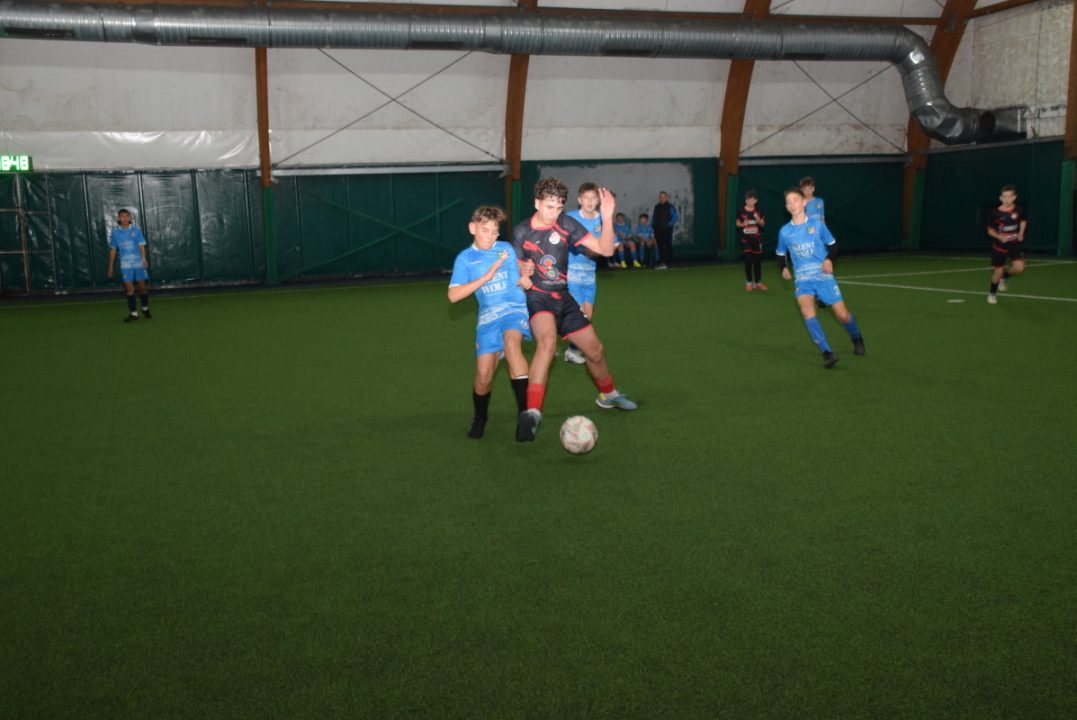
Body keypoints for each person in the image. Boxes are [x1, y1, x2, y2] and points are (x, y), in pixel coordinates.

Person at [512, 177, 638, 442]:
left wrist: (607, 217)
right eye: (549, 207)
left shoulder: (567, 224)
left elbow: (605, 250)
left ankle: (609, 395)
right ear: (537, 203)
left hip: (564, 297)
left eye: (559, 207)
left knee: (596, 351)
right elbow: (515, 269)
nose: (554, 213)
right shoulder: (522, 232)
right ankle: (532, 412)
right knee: (547, 343)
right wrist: (522, 270)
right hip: (537, 298)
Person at [447, 205, 531, 439]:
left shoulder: (505, 249)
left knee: (512, 344)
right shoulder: (465, 259)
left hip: (514, 309)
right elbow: (453, 296)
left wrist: (525, 278)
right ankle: (480, 417)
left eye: (495, 232)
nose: (491, 237)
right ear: (472, 228)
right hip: (488, 317)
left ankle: (525, 416)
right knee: (484, 374)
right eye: (485, 231)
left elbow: (519, 274)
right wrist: (486, 277)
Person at [776, 187, 865, 368]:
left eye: (795, 200)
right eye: (788, 202)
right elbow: (780, 253)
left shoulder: (817, 225)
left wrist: (829, 259)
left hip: (823, 276)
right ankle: (827, 352)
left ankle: (856, 337)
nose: (792, 204)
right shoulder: (785, 232)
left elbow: (833, 245)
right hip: (803, 279)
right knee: (807, 312)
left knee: (843, 316)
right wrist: (784, 267)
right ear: (786, 207)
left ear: (804, 202)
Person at [564, 182, 603, 365]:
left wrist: (605, 249)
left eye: (593, 198)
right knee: (580, 317)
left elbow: (609, 244)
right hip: (572, 274)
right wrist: (582, 249)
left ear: (598, 200)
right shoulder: (570, 218)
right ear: (579, 200)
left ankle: (571, 350)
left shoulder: (601, 220)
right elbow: (563, 241)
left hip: (590, 275)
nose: (590, 201)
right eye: (586, 198)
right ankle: (568, 349)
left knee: (588, 317)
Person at [106, 208, 152, 323]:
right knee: (129, 289)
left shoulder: (136, 230)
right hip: (126, 264)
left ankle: (145, 308)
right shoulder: (116, 232)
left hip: (138, 263)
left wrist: (143, 258)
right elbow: (113, 249)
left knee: (142, 288)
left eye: (127, 216)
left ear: (130, 218)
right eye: (122, 216)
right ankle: (133, 314)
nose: (125, 218)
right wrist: (110, 267)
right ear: (119, 218)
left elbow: (141, 245)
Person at [985, 184, 1027, 305]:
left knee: (1019, 268)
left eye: (1009, 196)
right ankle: (992, 294)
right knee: (997, 272)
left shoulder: (1019, 210)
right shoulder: (995, 213)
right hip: (999, 245)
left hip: (1014, 244)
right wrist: (1000, 237)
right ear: (1000, 198)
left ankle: (1004, 277)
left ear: (1014, 197)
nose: (1007, 199)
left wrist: (1021, 233)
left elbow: (1023, 220)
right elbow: (990, 230)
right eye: (1004, 196)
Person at [736, 190, 767, 292]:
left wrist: (759, 221)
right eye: (748, 200)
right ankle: (749, 282)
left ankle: (757, 283)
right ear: (745, 201)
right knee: (748, 260)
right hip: (745, 239)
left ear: (756, 201)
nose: (750, 201)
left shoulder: (759, 211)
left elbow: (763, 224)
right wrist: (742, 224)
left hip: (757, 240)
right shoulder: (741, 211)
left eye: (753, 200)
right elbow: (737, 224)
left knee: (757, 262)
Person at [651, 191, 678, 269]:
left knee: (668, 246)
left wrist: (668, 225)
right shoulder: (656, 207)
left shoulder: (670, 206)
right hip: (658, 230)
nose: (662, 198)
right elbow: (654, 217)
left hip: (667, 230)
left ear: (666, 197)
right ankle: (662, 262)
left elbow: (675, 217)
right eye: (660, 197)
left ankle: (670, 262)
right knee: (660, 246)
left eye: (663, 197)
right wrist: (653, 225)